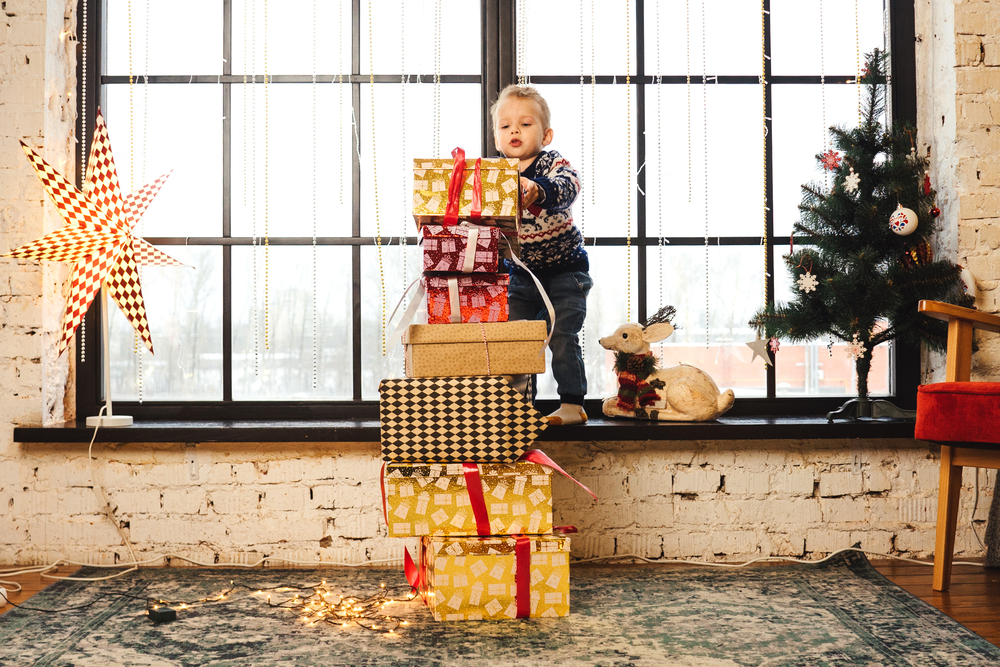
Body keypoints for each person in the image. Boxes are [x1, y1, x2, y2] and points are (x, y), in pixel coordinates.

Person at [490, 84, 593, 426]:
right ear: (496, 139)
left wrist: (539, 189)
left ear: (546, 134)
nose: (514, 130)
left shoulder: (551, 162)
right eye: (505, 126)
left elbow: (570, 185)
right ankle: (520, 409)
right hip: (520, 274)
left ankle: (573, 402)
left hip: (565, 271)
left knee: (563, 335)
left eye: (525, 124)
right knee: (518, 341)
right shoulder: (495, 176)